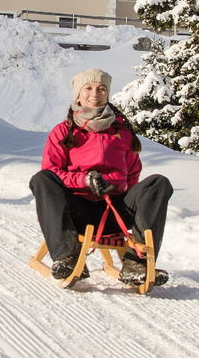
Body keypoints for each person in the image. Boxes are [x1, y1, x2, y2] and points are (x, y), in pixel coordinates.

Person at [29, 68, 172, 287]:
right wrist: (84, 180)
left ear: (107, 94)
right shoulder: (63, 131)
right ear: (78, 94)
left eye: (101, 88)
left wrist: (116, 188)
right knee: (42, 178)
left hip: (114, 211)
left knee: (158, 183)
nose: (95, 94)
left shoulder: (123, 133)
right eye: (88, 88)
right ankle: (68, 257)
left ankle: (137, 263)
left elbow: (133, 175)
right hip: (77, 210)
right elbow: (52, 171)